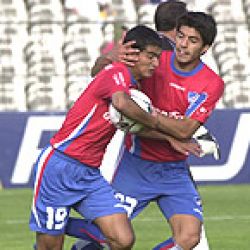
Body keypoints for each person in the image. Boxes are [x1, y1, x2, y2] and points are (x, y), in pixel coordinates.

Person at [68, 9, 223, 250]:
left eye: (193, 41)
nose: (183, 45)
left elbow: (184, 131)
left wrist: (145, 115)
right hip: (136, 166)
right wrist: (112, 55)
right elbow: (100, 74)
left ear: (205, 48)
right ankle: (54, 223)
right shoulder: (154, 61)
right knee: (108, 236)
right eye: (181, 36)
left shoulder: (211, 83)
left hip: (175, 171)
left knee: (189, 238)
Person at [29, 25, 169, 250]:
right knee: (50, 246)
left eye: (157, 58)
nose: (155, 63)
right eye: (151, 56)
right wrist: (158, 121)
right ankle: (50, 226)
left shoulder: (128, 84)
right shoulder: (117, 73)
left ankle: (61, 229)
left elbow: (130, 122)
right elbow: (121, 104)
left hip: (90, 174)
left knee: (122, 240)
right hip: (60, 167)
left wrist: (171, 138)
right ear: (133, 53)